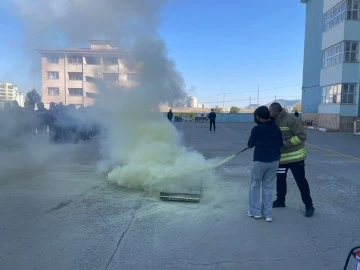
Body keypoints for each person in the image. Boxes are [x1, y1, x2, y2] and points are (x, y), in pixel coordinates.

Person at [269, 102, 315, 217]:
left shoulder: (291, 119)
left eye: (270, 111)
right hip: (282, 159)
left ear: (276, 111)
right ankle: (280, 200)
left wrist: (285, 144)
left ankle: (309, 205)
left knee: (300, 181)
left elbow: (302, 136)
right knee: (280, 179)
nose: (269, 113)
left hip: (296, 158)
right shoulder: (273, 121)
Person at [247, 106, 283, 222]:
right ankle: (268, 214)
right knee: (268, 188)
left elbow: (250, 144)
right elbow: (280, 143)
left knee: (255, 186)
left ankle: (255, 212)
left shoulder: (256, 129)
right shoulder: (276, 127)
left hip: (260, 162)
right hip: (274, 162)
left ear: (258, 116)